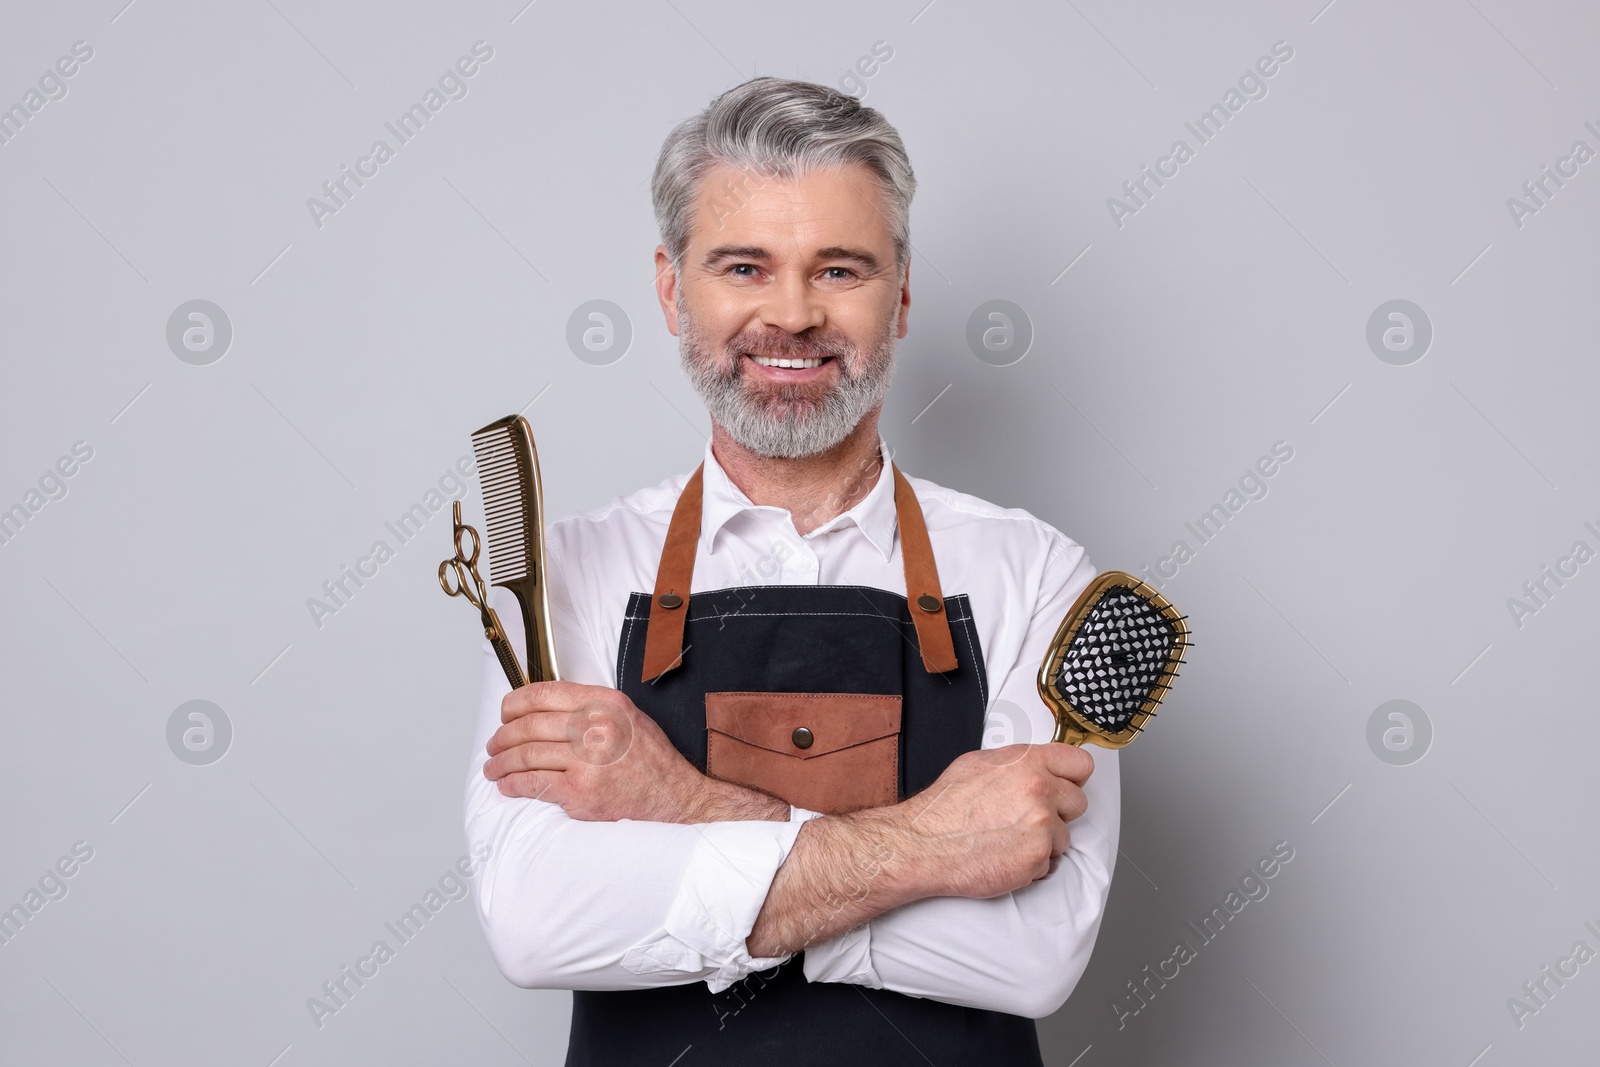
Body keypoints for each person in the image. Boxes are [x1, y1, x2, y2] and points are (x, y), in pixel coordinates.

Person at [464, 76, 1118, 1067]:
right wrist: (935, 849)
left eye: (840, 269)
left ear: (900, 294)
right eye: (743, 265)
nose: (792, 314)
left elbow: (1032, 951)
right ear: (671, 287)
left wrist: (683, 808)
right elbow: (538, 918)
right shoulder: (569, 574)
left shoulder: (1035, 574)